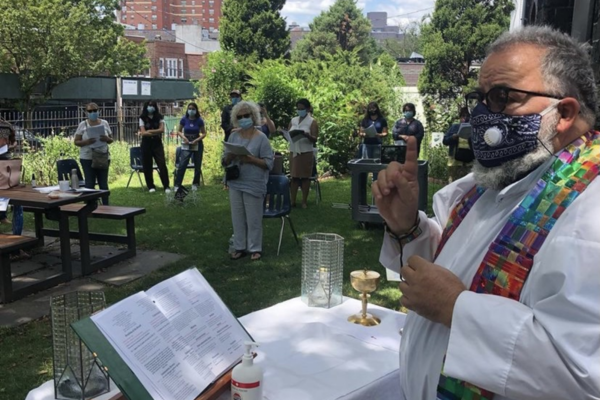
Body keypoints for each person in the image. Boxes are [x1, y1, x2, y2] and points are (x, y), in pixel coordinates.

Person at [372, 26, 600, 400]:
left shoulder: (591, 211)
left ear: (564, 112)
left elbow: (582, 378)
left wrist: (457, 310)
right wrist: (407, 226)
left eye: (502, 97)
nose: (482, 115)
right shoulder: (491, 186)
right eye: (480, 98)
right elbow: (454, 272)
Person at [222, 101, 273, 261]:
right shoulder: (233, 136)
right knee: (237, 217)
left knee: (253, 218)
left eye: (246, 115)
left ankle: (255, 248)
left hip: (254, 183)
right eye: (240, 116)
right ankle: (239, 247)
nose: (244, 118)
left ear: (253, 116)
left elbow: (268, 163)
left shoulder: (262, 138)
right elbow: (224, 161)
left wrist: (250, 159)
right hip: (236, 181)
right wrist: (229, 157)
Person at [74, 103, 113, 205]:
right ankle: (90, 205)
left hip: (103, 156)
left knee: (103, 183)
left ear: (98, 111)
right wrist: (86, 142)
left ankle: (105, 205)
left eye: (95, 110)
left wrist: (106, 139)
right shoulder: (83, 125)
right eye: (90, 111)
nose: (93, 113)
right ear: (86, 112)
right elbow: (76, 142)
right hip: (87, 157)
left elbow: (111, 139)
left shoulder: (104, 123)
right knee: (90, 183)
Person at [0, 120, 28, 259]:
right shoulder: (6, 125)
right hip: (7, 167)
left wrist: (8, 146)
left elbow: (8, 142)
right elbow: (9, 142)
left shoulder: (5, 126)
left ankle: (15, 245)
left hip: (6, 168)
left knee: (16, 201)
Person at [287, 98, 319, 208]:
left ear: (308, 109)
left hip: (306, 151)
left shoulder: (312, 121)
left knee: (305, 177)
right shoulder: (293, 120)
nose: (300, 110)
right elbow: (288, 133)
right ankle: (292, 200)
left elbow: (315, 138)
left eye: (302, 109)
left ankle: (304, 201)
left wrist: (307, 135)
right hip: (294, 151)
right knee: (294, 177)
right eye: (298, 109)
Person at [138, 101, 171, 193]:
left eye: (152, 106)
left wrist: (150, 132)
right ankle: (150, 186)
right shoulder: (142, 118)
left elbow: (162, 129)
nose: (151, 107)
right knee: (147, 165)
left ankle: (166, 186)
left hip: (157, 143)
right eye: (149, 106)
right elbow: (143, 132)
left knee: (162, 164)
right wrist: (152, 132)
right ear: (146, 107)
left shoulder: (159, 117)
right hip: (146, 144)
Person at [175, 102, 206, 191]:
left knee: (197, 163)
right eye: (190, 109)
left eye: (193, 109)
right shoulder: (184, 119)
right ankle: (177, 184)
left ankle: (195, 183)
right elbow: (179, 131)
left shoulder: (199, 120)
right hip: (186, 142)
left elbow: (204, 133)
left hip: (197, 142)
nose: (191, 110)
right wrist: (184, 137)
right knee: (182, 164)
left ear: (196, 110)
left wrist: (197, 140)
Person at [443, 107, 473, 182]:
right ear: (460, 117)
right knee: (453, 184)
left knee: (469, 185)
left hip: (470, 162)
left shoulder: (474, 128)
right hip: (455, 162)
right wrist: (452, 137)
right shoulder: (454, 127)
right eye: (463, 116)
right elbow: (445, 141)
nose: (465, 118)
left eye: (468, 116)